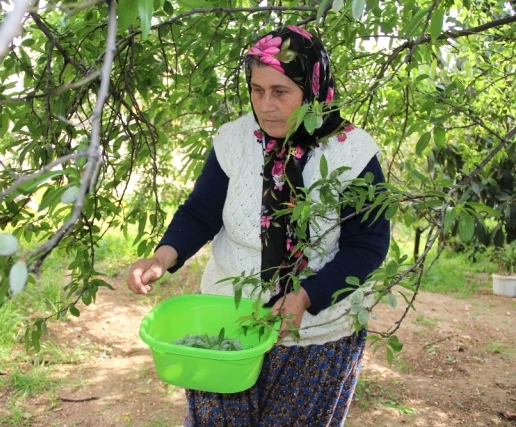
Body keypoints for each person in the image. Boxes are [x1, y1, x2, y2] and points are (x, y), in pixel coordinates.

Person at [127, 25, 390, 426]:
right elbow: (201, 212)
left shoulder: (352, 153)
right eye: (256, 89)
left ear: (312, 88)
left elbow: (366, 247)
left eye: (281, 92)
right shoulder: (234, 140)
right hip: (229, 320)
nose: (266, 105)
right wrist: (162, 258)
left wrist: (305, 297)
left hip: (317, 332)